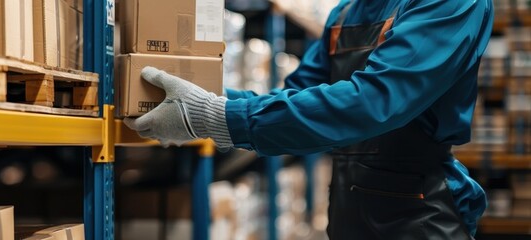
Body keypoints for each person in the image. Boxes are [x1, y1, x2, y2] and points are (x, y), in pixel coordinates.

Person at [124, 0, 492, 238]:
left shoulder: (451, 3)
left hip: (420, 215)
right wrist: (202, 101)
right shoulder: (347, 12)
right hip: (348, 209)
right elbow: (298, 97)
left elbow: (374, 102)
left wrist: (214, 116)